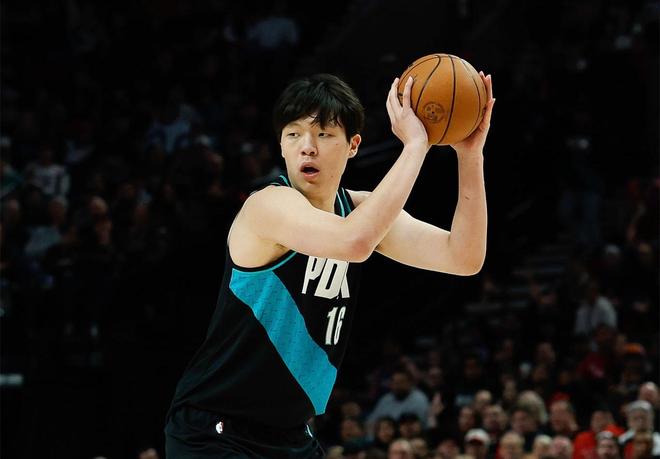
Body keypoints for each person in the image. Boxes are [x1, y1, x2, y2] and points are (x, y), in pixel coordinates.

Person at [164, 71, 495, 458]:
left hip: (291, 436)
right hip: (216, 431)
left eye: (323, 134)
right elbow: (353, 242)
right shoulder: (267, 205)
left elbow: (464, 257)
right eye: (293, 134)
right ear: (281, 146)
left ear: (353, 145)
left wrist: (470, 156)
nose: (307, 147)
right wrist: (415, 146)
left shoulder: (359, 211)